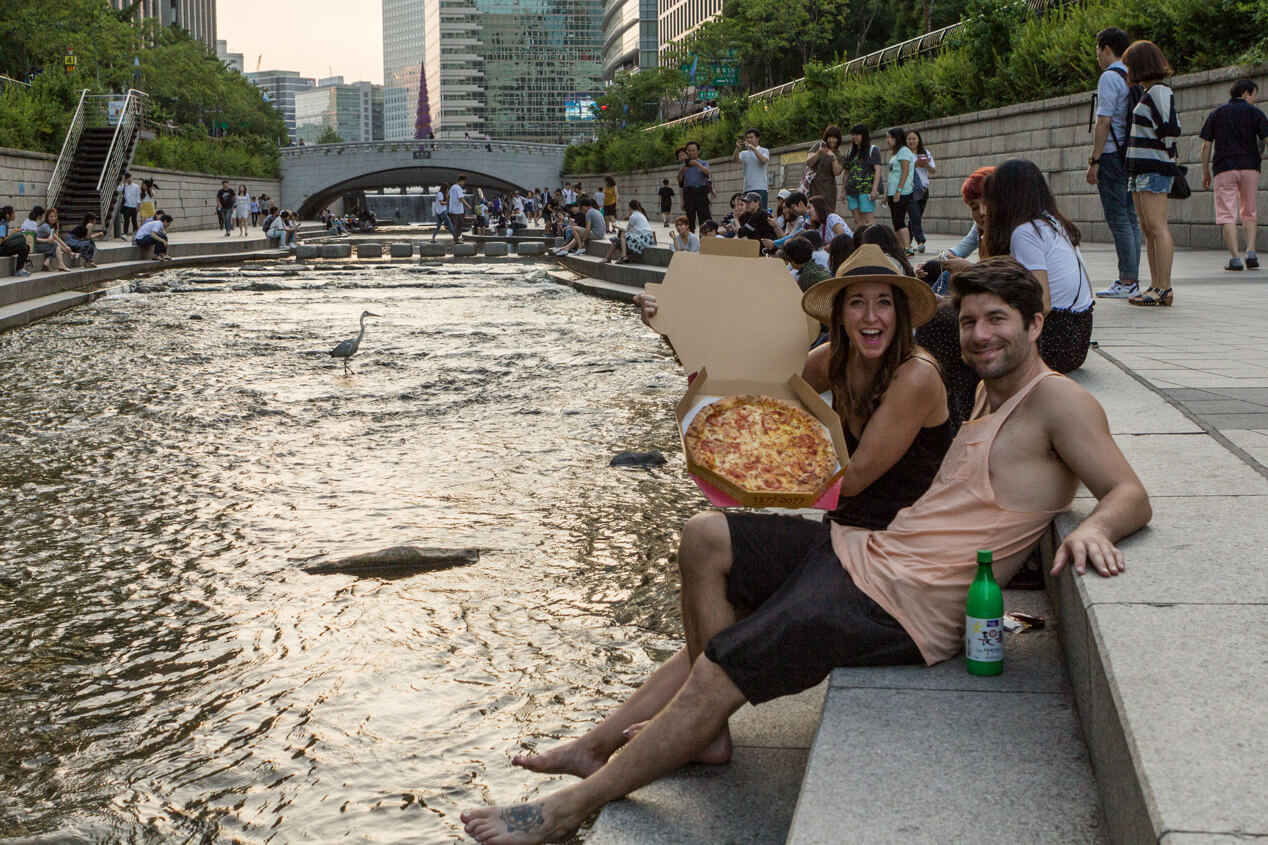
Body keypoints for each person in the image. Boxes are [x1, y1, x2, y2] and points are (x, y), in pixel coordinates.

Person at [461, 255, 1151, 845]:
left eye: (998, 319)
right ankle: (654, 735)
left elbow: (1129, 491)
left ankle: (567, 808)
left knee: (722, 663)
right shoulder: (989, 396)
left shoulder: (1055, 401)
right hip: (868, 551)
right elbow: (758, 381)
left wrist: (1095, 525)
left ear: (1035, 324)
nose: (979, 334)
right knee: (707, 534)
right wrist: (678, 333)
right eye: (970, 321)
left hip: (906, 604)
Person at [982, 158, 1094, 374]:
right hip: (1077, 340)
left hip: (1054, 343)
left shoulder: (1025, 232)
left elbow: (1042, 302)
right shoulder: (1053, 222)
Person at [1086, 27, 1144, 299]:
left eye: (1097, 49)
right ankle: (1132, 278)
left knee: (1118, 218)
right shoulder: (1133, 75)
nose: (1096, 55)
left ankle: (1127, 279)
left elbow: (1104, 121)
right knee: (1131, 217)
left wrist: (1094, 160)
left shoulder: (1109, 77)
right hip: (1131, 155)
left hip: (1111, 155)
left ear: (1106, 48)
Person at [1123, 40, 1181, 307]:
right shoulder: (1150, 92)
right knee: (1149, 229)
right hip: (1142, 168)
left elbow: (1170, 129)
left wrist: (1166, 158)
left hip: (1154, 167)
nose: (1127, 71)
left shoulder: (1158, 91)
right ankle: (1156, 285)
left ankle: (1163, 287)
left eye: (1129, 66)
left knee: (1156, 228)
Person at [1199, 78, 1268, 271]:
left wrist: (1205, 171)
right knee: (1249, 211)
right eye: (1254, 95)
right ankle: (1251, 252)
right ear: (1246, 93)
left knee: (1227, 214)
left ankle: (1235, 258)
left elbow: (1206, 145)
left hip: (1224, 168)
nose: (1254, 99)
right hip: (1250, 167)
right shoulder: (1255, 113)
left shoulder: (1217, 113)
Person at [843, 124, 883, 230]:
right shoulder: (851, 152)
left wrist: (874, 189)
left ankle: (874, 242)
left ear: (864, 135)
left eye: (857, 134)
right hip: (851, 191)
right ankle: (861, 243)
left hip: (865, 191)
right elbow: (846, 172)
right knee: (857, 221)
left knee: (869, 220)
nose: (854, 137)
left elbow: (878, 170)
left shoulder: (872, 150)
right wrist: (843, 191)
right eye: (853, 135)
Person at [885, 128, 917, 251]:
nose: (887, 140)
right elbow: (892, 174)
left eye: (889, 137)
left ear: (896, 138)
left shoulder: (904, 151)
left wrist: (898, 190)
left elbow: (905, 171)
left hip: (902, 192)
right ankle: (899, 247)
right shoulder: (895, 153)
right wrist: (887, 193)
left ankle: (907, 247)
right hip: (893, 192)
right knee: (895, 221)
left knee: (899, 220)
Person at [906, 130, 936, 255]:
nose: (912, 141)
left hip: (923, 190)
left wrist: (926, 165)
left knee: (915, 218)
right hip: (910, 189)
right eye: (909, 139)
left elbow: (933, 170)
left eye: (914, 139)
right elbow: (901, 171)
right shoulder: (904, 154)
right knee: (915, 217)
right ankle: (920, 242)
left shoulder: (925, 153)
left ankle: (906, 243)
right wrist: (914, 165)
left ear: (918, 140)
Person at [600, 200, 656, 265]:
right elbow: (633, 230)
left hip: (641, 239)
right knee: (620, 240)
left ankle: (622, 256)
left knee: (622, 235)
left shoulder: (633, 216)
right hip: (647, 238)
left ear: (629, 207)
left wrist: (617, 227)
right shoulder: (641, 214)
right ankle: (617, 257)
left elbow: (626, 230)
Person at [807, 125, 845, 215]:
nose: (831, 140)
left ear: (838, 139)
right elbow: (809, 162)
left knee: (828, 215)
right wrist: (818, 153)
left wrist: (834, 157)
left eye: (834, 138)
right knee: (813, 214)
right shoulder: (818, 146)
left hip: (829, 191)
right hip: (814, 188)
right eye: (829, 137)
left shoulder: (840, 156)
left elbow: (837, 172)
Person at [732, 128, 770, 209]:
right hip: (747, 188)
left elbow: (763, 160)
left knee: (761, 212)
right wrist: (737, 148)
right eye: (747, 138)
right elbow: (735, 160)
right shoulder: (744, 153)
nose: (749, 140)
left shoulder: (764, 150)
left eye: (751, 137)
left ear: (757, 138)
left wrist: (753, 148)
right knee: (747, 213)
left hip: (760, 188)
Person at [679, 141, 712, 231]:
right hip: (689, 193)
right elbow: (680, 180)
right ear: (687, 152)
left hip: (701, 192)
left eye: (693, 150)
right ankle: (691, 240)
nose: (691, 152)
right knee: (689, 219)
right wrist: (682, 170)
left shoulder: (703, 163)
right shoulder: (683, 165)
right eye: (689, 150)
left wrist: (697, 164)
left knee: (705, 218)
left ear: (698, 151)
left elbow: (707, 172)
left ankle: (705, 241)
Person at [33, 207, 74, 272]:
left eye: (55, 216)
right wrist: (65, 246)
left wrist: (57, 228)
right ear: (47, 217)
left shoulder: (51, 226)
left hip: (43, 245)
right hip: (37, 246)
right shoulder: (45, 226)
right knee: (56, 245)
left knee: (55, 245)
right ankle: (61, 264)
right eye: (51, 216)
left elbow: (54, 237)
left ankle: (47, 262)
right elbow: (55, 237)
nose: (53, 218)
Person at [0, 206, 32, 276]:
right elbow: (1, 241)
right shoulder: (2, 225)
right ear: (8, 215)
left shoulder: (4, 223)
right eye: (13, 213)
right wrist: (13, 234)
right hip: (1, 250)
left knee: (26, 246)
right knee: (23, 247)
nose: (15, 215)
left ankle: (21, 268)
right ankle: (19, 270)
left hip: (3, 248)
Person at [114, 172, 141, 239]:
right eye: (128, 178)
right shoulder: (124, 185)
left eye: (130, 178)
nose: (129, 179)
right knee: (126, 220)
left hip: (134, 206)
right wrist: (122, 181)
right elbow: (118, 189)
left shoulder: (136, 186)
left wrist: (138, 206)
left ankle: (135, 234)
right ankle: (125, 234)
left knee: (134, 220)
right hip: (126, 206)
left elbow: (138, 197)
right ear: (126, 179)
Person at [448, 175, 472, 242]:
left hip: (452, 210)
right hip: (458, 210)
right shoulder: (458, 188)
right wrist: (468, 206)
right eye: (464, 182)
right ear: (461, 180)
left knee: (456, 225)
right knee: (459, 224)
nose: (464, 183)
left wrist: (450, 204)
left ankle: (456, 238)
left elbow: (448, 196)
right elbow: (461, 198)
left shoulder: (452, 187)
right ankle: (457, 239)